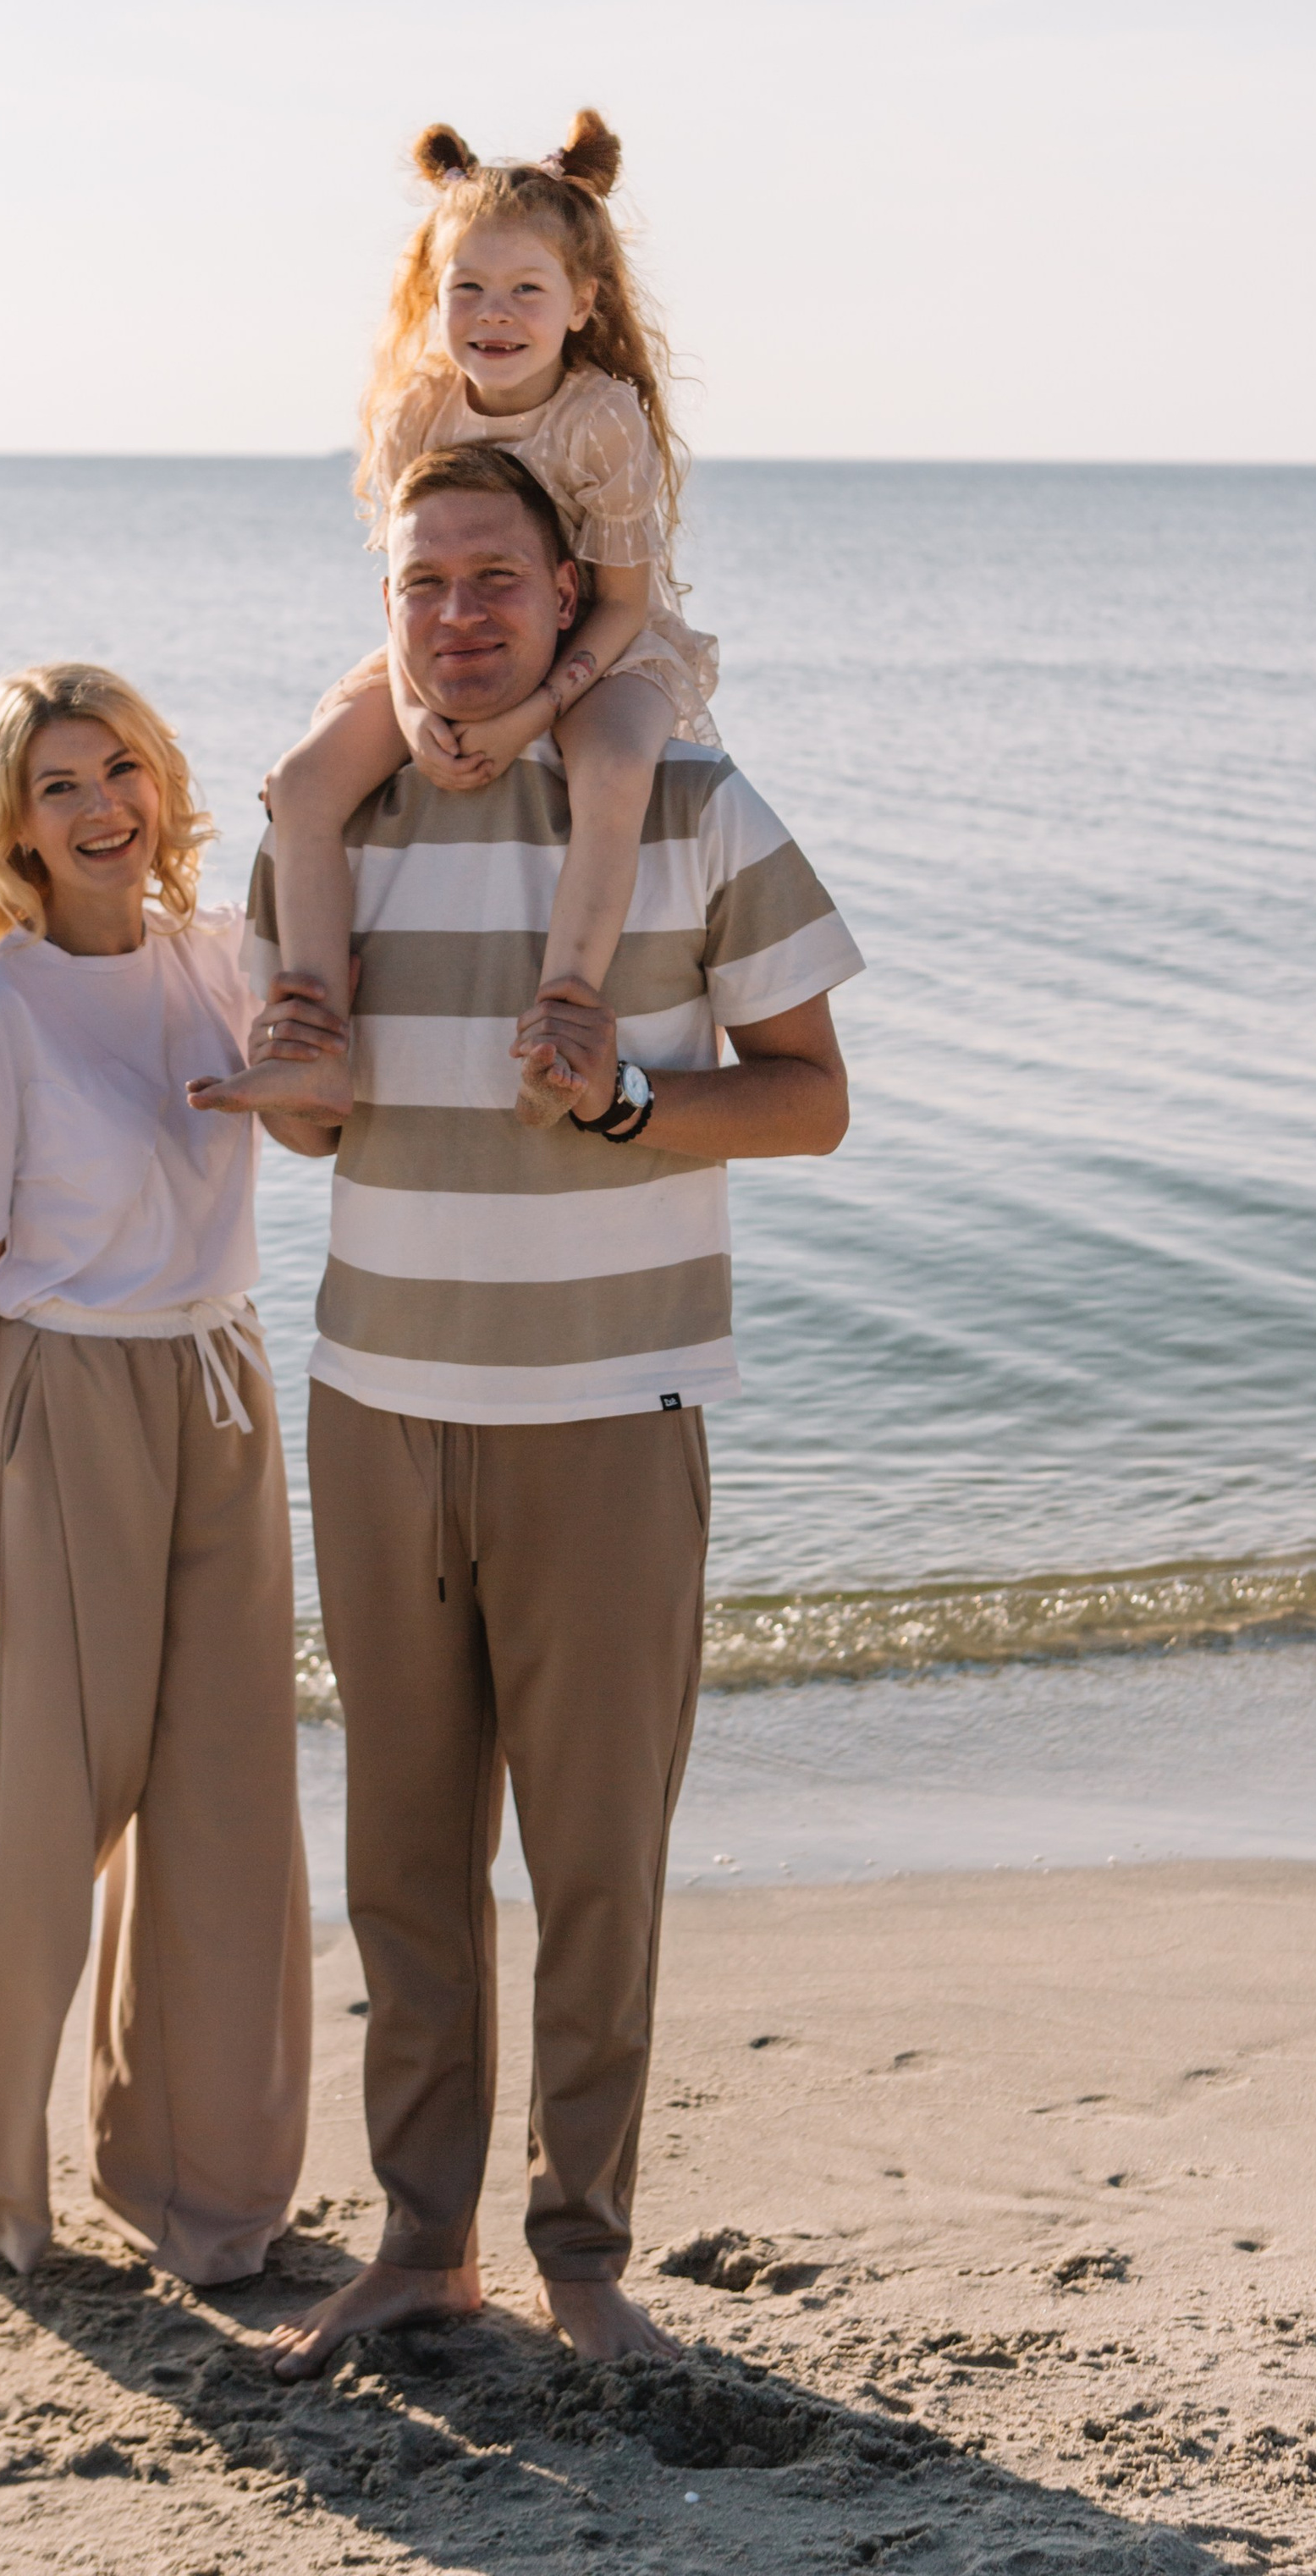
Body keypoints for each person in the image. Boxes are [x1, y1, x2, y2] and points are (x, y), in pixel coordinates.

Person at [243, 446, 862, 2377]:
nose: (455, 612)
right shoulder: (325, 826)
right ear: (387, 603)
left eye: (491, 576)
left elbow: (809, 1092)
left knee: (596, 1855)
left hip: (607, 1400)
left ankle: (581, 2249)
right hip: (375, 1396)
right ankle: (422, 2237)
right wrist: (281, 1072)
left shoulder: (680, 799)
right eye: (422, 579)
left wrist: (619, 1109)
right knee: (402, 1859)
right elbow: (305, 1114)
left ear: (566, 591)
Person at [0, 663, 310, 2282]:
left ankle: (206, 2196)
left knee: (227, 1800)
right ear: (16, 830)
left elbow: (336, 1072)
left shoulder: (214, 960)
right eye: (60, 786)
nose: (102, 803)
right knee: (46, 1800)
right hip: (60, 1405)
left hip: (226, 1388)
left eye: (119, 767)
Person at [190, 108, 716, 1132]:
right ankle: (313, 1046)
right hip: (450, 651)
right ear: (430, 300)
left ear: (582, 302)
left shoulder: (596, 417)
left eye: (527, 289)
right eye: (465, 289)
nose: (494, 313)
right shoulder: (415, 414)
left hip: (598, 655)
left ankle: (561, 1026)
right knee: (302, 785)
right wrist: (410, 701)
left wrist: (535, 717)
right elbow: (401, 599)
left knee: (611, 770)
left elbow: (619, 605)